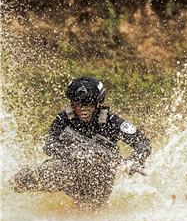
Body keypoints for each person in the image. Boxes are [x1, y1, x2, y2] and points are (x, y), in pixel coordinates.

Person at [10, 76, 151, 209]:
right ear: (72, 103)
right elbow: (49, 143)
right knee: (21, 179)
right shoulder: (64, 118)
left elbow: (143, 143)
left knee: (90, 209)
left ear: (97, 103)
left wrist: (134, 162)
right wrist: (71, 154)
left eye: (88, 105)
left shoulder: (111, 120)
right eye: (78, 105)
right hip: (68, 169)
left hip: (99, 176)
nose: (83, 109)